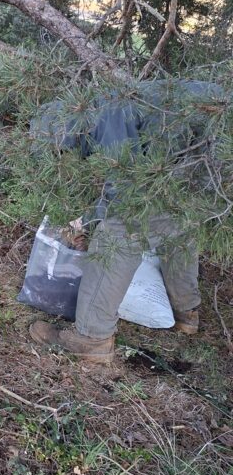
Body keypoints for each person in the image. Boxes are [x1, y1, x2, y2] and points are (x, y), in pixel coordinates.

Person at [27, 80, 225, 365]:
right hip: (209, 163)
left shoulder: (109, 114)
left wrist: (86, 224)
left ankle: (91, 338)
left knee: (118, 233)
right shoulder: (114, 102)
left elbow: (124, 193)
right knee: (179, 221)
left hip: (212, 155)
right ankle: (186, 311)